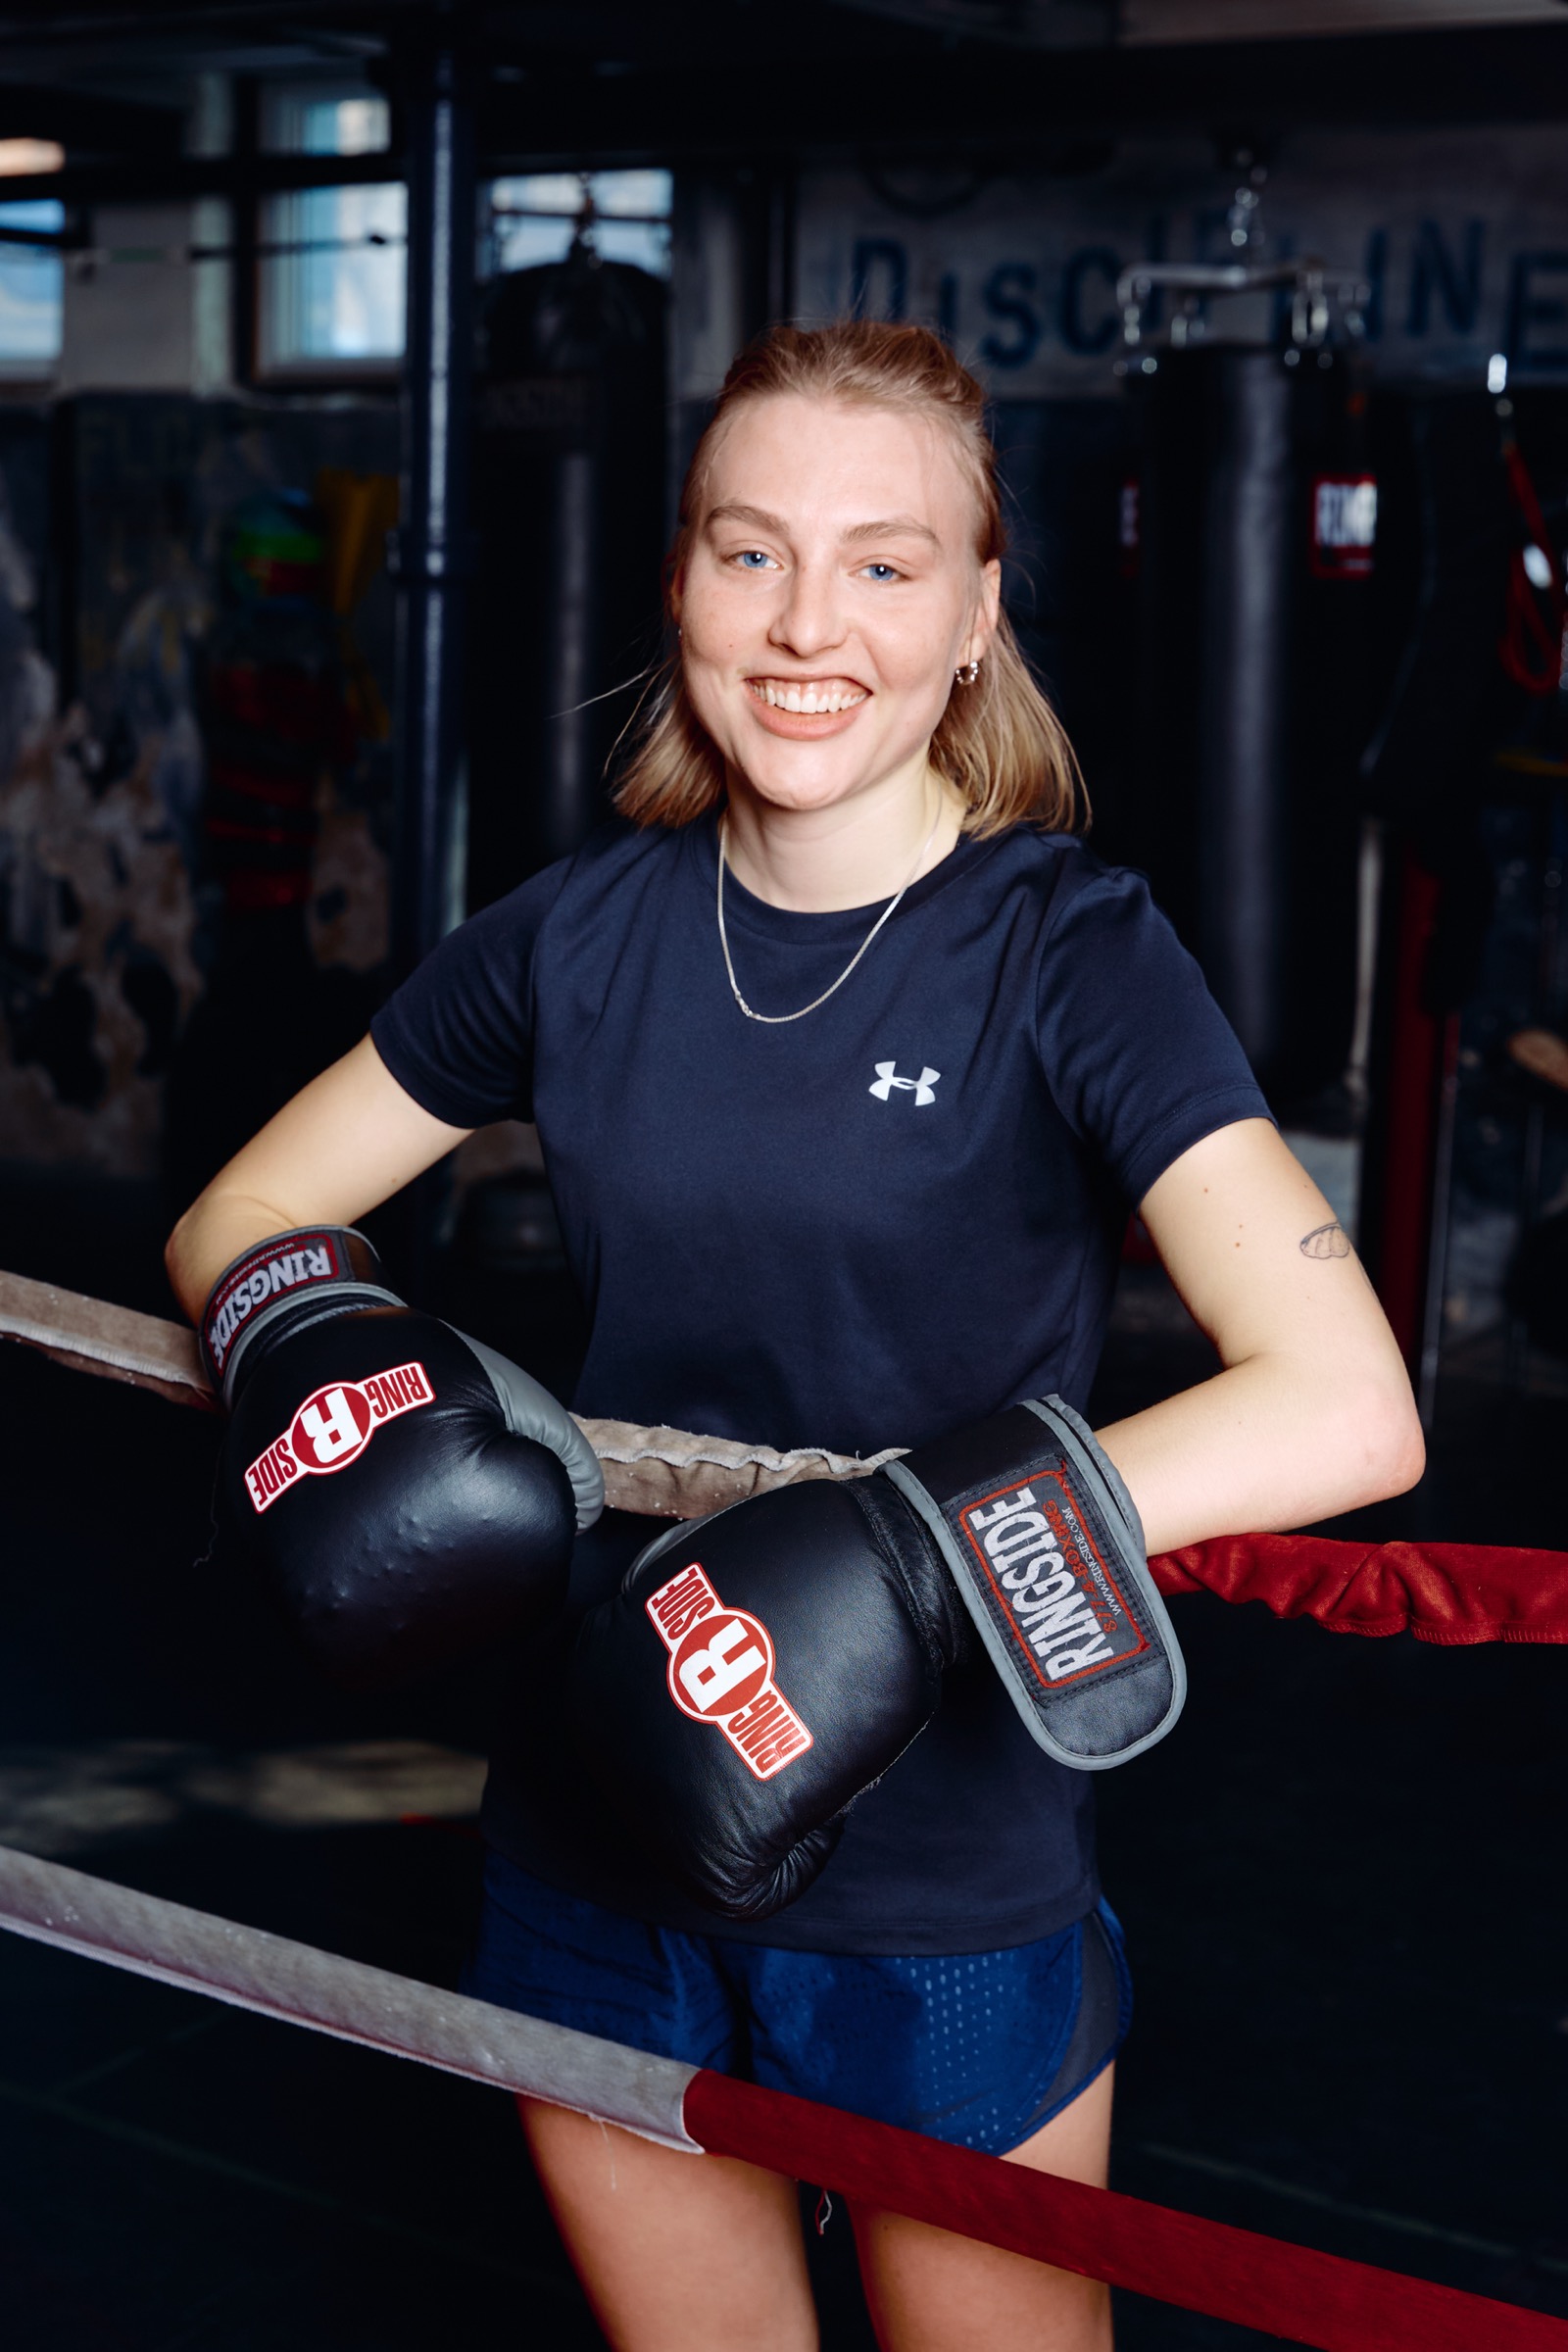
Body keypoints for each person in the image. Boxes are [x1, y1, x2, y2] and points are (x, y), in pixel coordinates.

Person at [166, 320, 1424, 2352]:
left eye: (880, 561)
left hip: (935, 1874)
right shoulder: (573, 937)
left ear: (974, 615)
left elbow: (1348, 1408)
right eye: (748, 553)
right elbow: (239, 1211)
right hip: (588, 1821)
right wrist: (323, 1353)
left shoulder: (1069, 955)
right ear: (675, 581)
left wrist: (918, 1549)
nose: (803, 621)